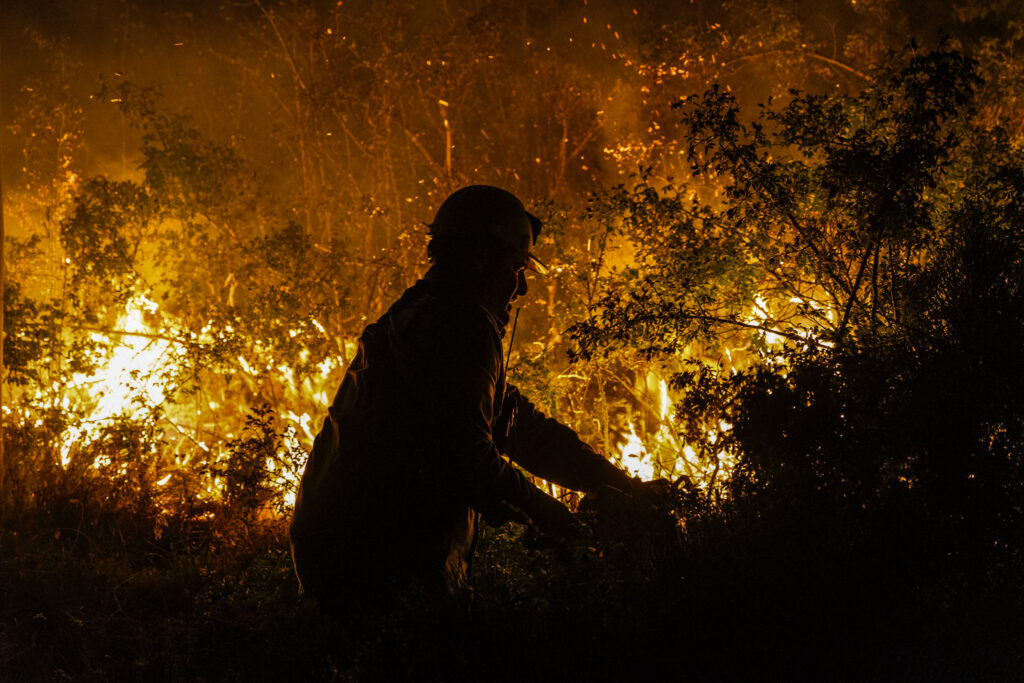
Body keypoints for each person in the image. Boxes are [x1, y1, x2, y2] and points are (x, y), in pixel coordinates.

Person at [289, 185, 637, 616]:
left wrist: (623, 486)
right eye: (516, 267)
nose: (522, 288)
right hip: (376, 559)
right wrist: (563, 522)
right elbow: (468, 457)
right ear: (479, 259)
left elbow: (518, 427)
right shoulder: (461, 325)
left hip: (341, 548)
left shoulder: (423, 313)